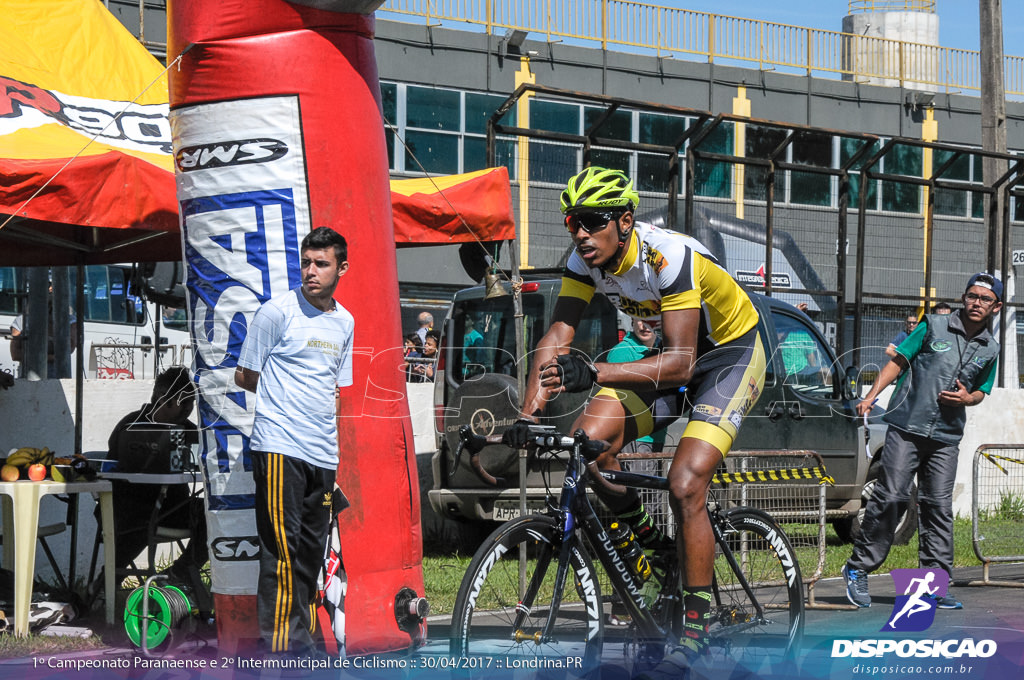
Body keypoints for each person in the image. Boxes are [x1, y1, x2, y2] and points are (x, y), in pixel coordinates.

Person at [503, 167, 765, 671]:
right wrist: (529, 412)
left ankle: (698, 627)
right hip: (671, 356)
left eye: (591, 221)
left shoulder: (666, 256)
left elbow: (685, 363)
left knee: (686, 483)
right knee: (589, 444)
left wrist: (596, 370)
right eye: (571, 222)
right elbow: (557, 337)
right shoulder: (585, 261)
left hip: (729, 355)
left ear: (624, 222)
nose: (579, 232)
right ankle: (655, 545)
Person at [843, 272, 1002, 611]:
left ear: (996, 307)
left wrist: (966, 399)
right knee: (892, 497)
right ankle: (857, 568)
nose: (976, 303)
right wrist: (872, 395)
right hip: (906, 427)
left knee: (938, 508)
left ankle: (933, 586)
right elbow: (898, 361)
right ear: (964, 298)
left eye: (985, 299)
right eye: (972, 296)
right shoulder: (933, 325)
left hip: (945, 438)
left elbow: (981, 391)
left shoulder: (991, 348)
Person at [235, 226, 355, 657]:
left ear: (342, 268)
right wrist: (282, 401)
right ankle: (288, 653)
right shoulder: (276, 312)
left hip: (321, 455)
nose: (311, 271)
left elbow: (335, 390)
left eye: (321, 263)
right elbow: (244, 374)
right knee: (281, 552)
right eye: (306, 262)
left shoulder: (345, 322)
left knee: (308, 554)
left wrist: (334, 455)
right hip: (279, 446)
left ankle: (299, 644)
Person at [105, 366, 208, 577]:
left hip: (174, 508)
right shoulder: (131, 425)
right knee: (137, 527)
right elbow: (110, 469)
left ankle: (181, 573)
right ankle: (106, 582)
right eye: (184, 402)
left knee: (213, 513)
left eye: (192, 403)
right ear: (163, 399)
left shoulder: (190, 431)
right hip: (131, 509)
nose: (189, 408)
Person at [607, 318, 666, 453]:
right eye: (640, 320)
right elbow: (615, 401)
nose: (645, 325)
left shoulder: (665, 350)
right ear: (632, 320)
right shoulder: (622, 353)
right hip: (634, 436)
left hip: (656, 435)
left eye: (651, 319)